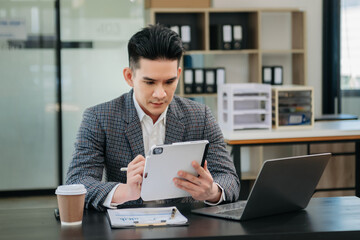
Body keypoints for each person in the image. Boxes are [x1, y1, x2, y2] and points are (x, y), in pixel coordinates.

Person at [66, 24, 240, 211]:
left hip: (185, 226)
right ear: (129, 76)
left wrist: (212, 191)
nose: (160, 94)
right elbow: (77, 183)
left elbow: (230, 179)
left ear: (179, 75)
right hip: (127, 228)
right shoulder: (99, 118)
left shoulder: (200, 116)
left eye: (169, 81)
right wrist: (125, 192)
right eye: (149, 82)